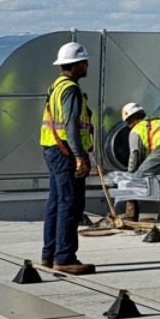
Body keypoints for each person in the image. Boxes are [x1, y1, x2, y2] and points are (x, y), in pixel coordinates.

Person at [39, 42, 97, 275]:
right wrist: (79, 156)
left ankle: (49, 254)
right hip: (65, 152)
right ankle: (64, 258)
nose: (87, 66)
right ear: (75, 65)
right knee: (70, 204)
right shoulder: (70, 89)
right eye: (84, 62)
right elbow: (71, 125)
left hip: (53, 149)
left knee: (56, 202)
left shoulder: (57, 85)